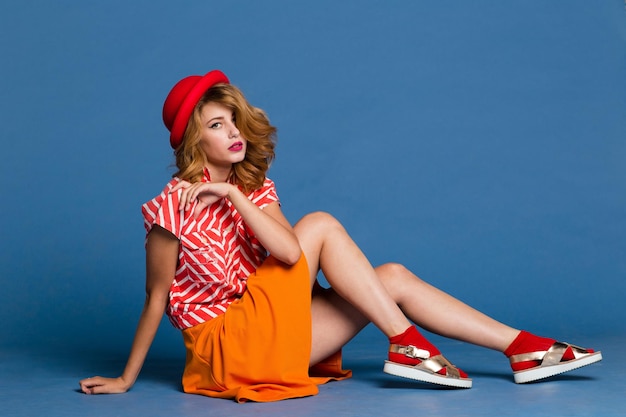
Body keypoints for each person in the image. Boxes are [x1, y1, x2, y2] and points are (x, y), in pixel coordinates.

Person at [79, 70, 602, 402]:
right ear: (194, 140)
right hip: (228, 348)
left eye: (233, 119)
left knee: (391, 276)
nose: (234, 131)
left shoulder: (254, 189)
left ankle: (523, 350)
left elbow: (284, 255)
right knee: (322, 223)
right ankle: (407, 346)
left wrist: (238, 197)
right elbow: (157, 297)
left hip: (273, 328)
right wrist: (126, 380)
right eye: (217, 125)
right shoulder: (171, 205)